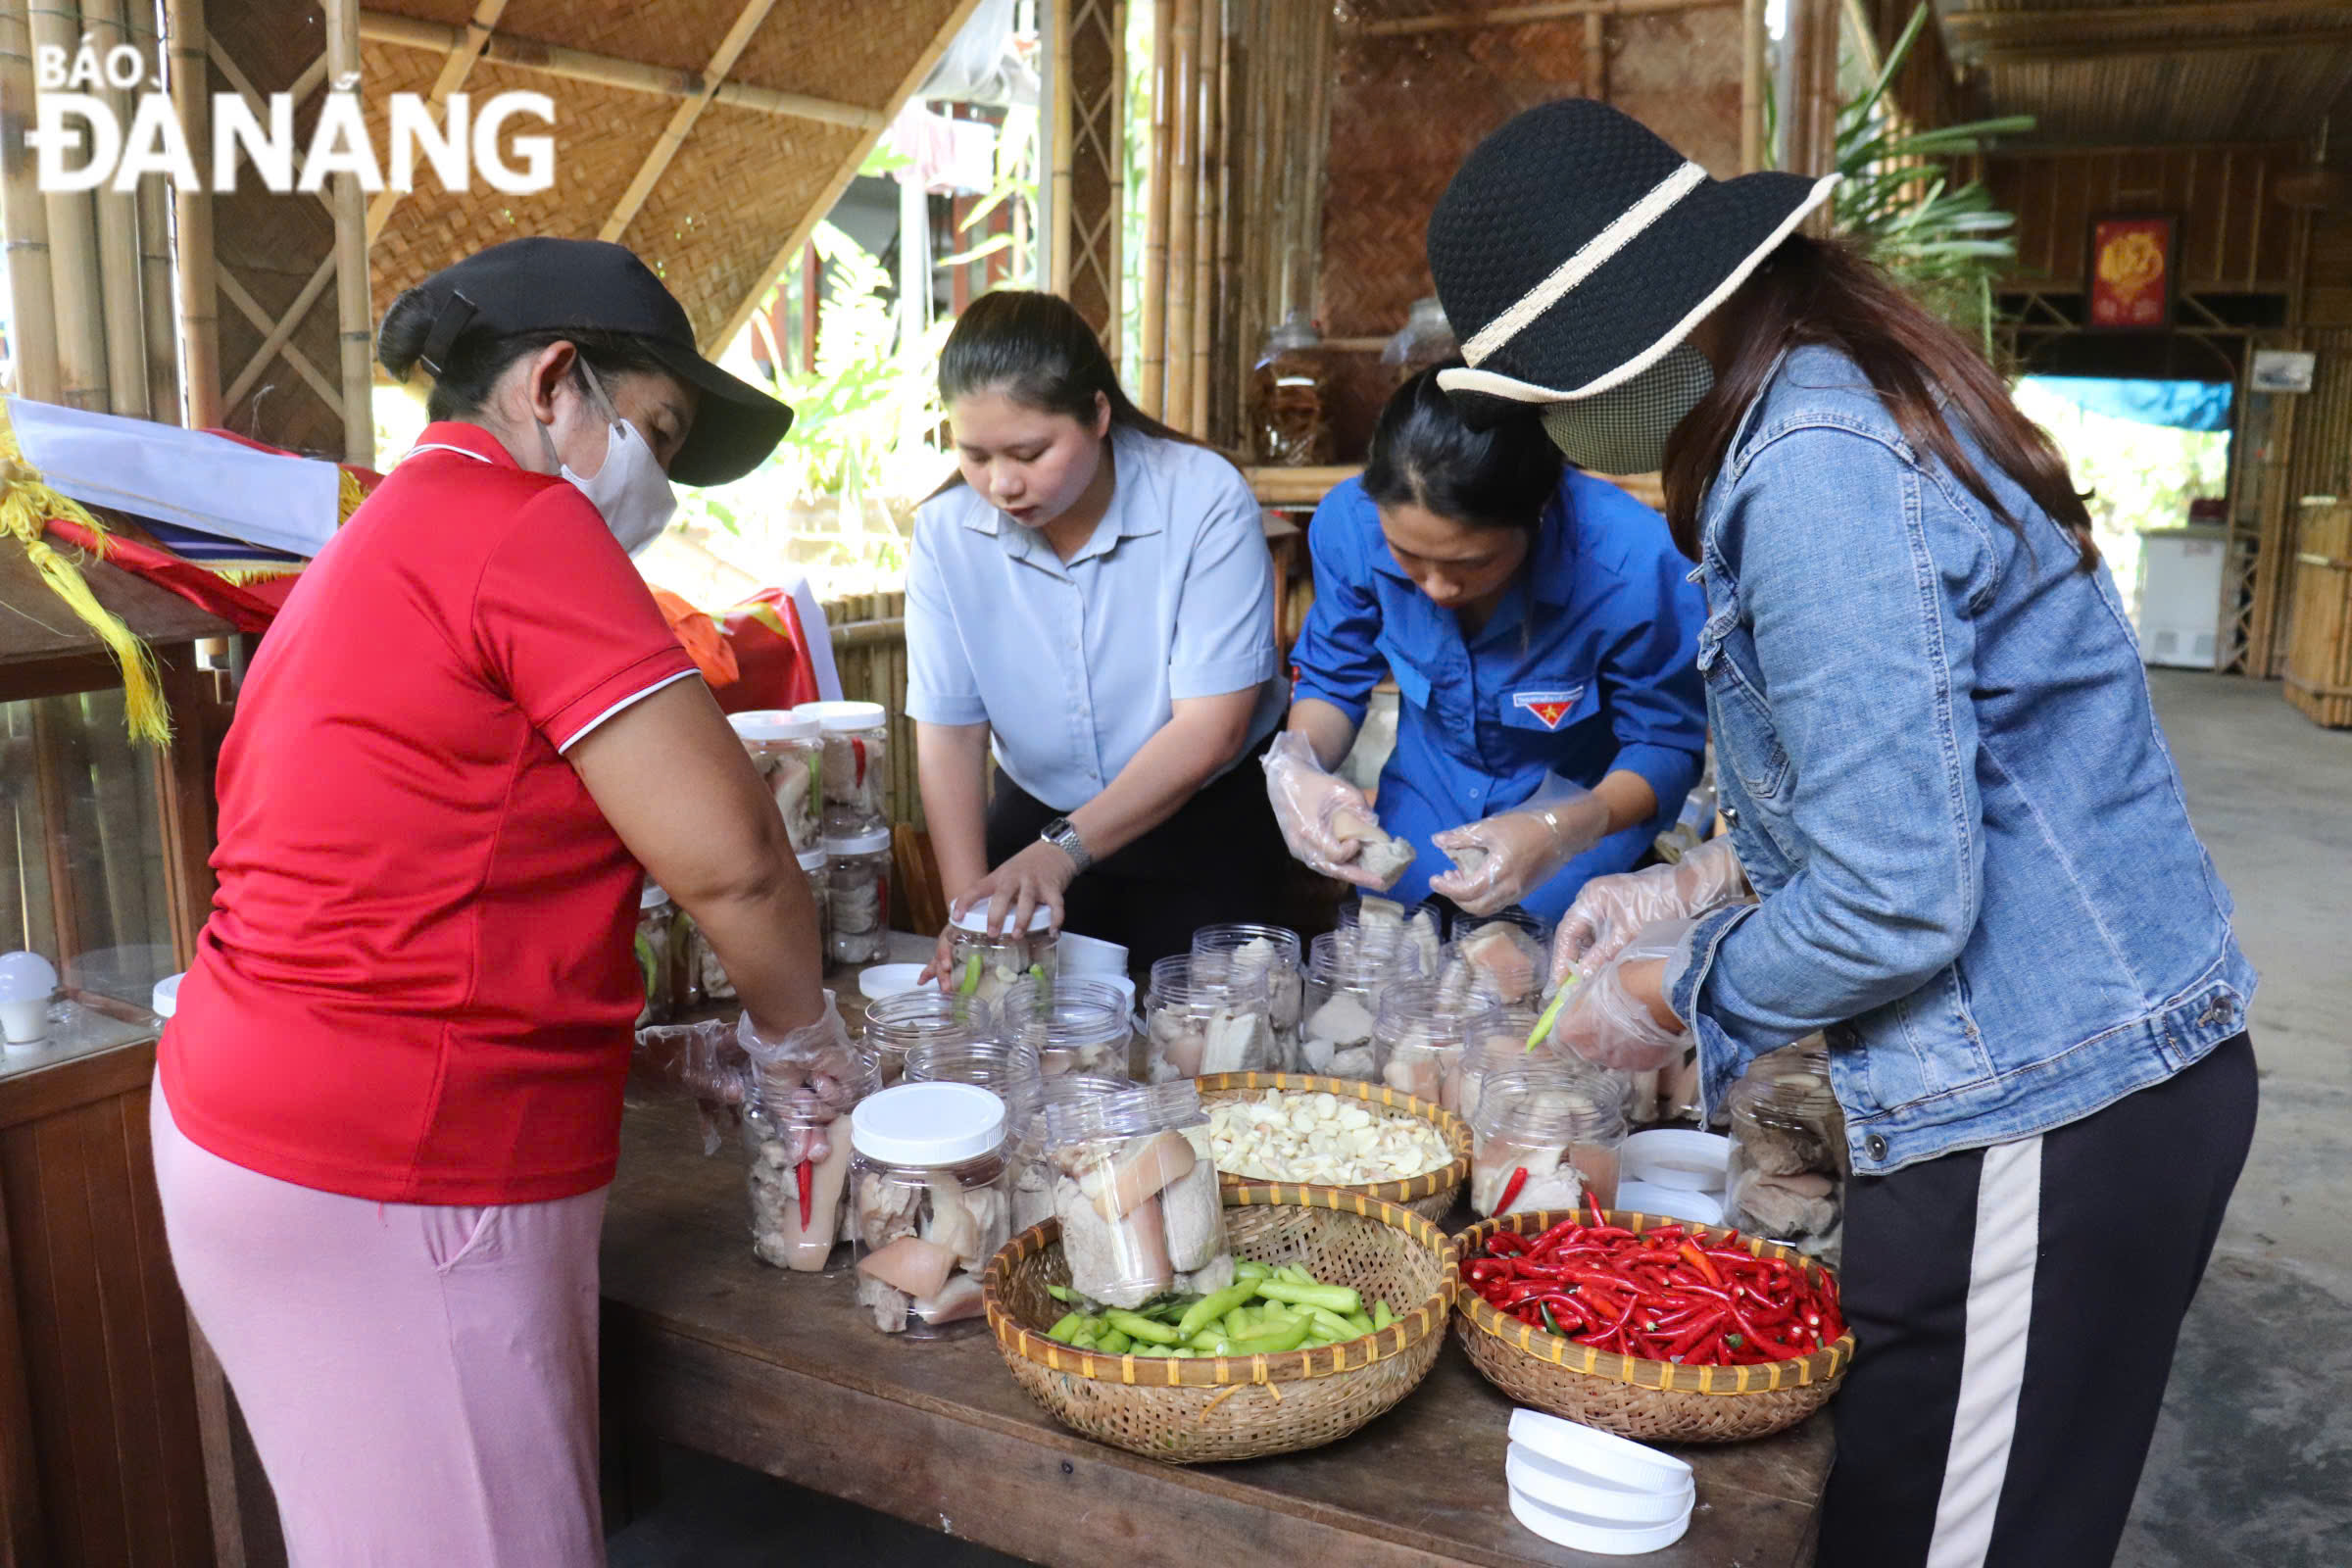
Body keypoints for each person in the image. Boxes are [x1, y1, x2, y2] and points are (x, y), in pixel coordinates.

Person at [1428, 100, 2256, 1568]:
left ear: (1642, 345)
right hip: (2062, 1079)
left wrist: (1678, 991)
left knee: (1946, 1540)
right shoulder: (1833, 391)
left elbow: (1894, 895)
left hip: (2046, 1101)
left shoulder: (1811, 457)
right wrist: (1676, 888)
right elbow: (1912, 771)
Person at [152, 237, 837, 1565]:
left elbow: (409, 869)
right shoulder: (524, 525)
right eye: (656, 430)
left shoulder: (377, 547)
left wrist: (629, 1051)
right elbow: (736, 858)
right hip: (393, 1161)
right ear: (554, 384)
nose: (656, 484)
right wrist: (801, 1047)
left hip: (255, 1125)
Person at [906, 290, 1287, 969]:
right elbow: (951, 731)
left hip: (1201, 823)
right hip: (1033, 826)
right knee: (1026, 1035)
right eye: (975, 455)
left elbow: (1212, 727)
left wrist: (1064, 852)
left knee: (1202, 1047)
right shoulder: (945, 533)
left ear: (1098, 414)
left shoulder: (1202, 498)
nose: (1002, 484)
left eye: (1029, 452)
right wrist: (969, 915)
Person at [1264, 366, 1706, 923]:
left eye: (1471, 563)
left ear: (1539, 512)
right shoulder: (1349, 526)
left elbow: (1664, 745)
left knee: (1538, 993)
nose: (1437, 587)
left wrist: (1560, 826)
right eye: (1408, 557)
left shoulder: (1633, 567)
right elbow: (1332, 679)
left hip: (1576, 856)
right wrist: (1299, 767)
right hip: (1419, 831)